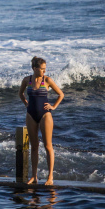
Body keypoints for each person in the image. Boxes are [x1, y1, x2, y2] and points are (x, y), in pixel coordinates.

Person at [18, 57, 64, 185]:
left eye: (45, 69)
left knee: (48, 146)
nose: (44, 71)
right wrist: (25, 103)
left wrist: (53, 107)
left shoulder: (47, 80)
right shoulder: (27, 80)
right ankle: (34, 176)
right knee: (34, 147)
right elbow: (20, 93)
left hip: (45, 115)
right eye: (42, 69)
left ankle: (50, 178)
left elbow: (61, 94)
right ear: (35, 68)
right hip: (30, 115)